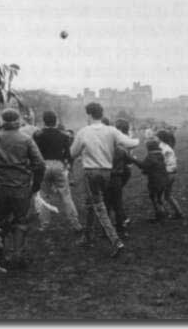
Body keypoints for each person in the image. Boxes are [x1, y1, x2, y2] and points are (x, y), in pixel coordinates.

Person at [70, 102, 139, 258]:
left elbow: (73, 153)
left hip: (91, 172)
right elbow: (132, 143)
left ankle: (116, 241)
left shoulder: (83, 131)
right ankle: (87, 237)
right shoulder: (111, 130)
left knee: (99, 207)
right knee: (90, 205)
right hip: (107, 173)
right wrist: (133, 136)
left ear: (88, 115)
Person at [0, 108, 46, 268]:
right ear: (18, 121)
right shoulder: (26, 139)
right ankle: (18, 255)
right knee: (21, 221)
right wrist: (36, 183)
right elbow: (40, 164)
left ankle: (0, 255)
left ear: (2, 120)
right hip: (21, 186)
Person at [32, 111, 82, 234]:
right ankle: (75, 223)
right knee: (66, 195)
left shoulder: (37, 135)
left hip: (44, 165)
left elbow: (34, 152)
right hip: (59, 164)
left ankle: (44, 224)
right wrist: (67, 165)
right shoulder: (64, 135)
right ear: (56, 120)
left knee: (44, 195)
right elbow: (68, 154)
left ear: (44, 121)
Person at [104, 118, 134, 237]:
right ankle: (122, 221)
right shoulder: (124, 138)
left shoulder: (119, 141)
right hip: (122, 170)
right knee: (114, 198)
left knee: (111, 199)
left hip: (118, 171)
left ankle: (119, 223)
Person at [130, 140, 169, 223]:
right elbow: (154, 166)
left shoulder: (150, 156)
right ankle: (164, 213)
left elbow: (143, 165)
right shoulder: (160, 155)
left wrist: (133, 159)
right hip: (164, 179)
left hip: (155, 181)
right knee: (159, 197)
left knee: (154, 198)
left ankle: (160, 216)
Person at [155, 129, 184, 219]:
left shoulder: (163, 148)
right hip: (172, 174)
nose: (154, 138)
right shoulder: (168, 147)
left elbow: (160, 161)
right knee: (167, 195)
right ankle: (178, 212)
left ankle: (164, 214)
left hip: (167, 174)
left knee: (159, 195)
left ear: (160, 138)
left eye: (156, 137)